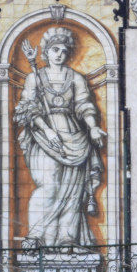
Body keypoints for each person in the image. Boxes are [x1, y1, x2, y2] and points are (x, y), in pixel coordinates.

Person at [14, 26, 106, 250]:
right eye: (55, 49)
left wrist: (93, 127)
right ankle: (36, 236)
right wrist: (47, 130)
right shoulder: (35, 77)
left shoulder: (75, 78)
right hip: (44, 137)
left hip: (75, 137)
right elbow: (27, 107)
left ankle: (67, 238)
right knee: (49, 187)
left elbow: (84, 105)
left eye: (64, 51)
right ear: (46, 52)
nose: (59, 54)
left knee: (73, 192)